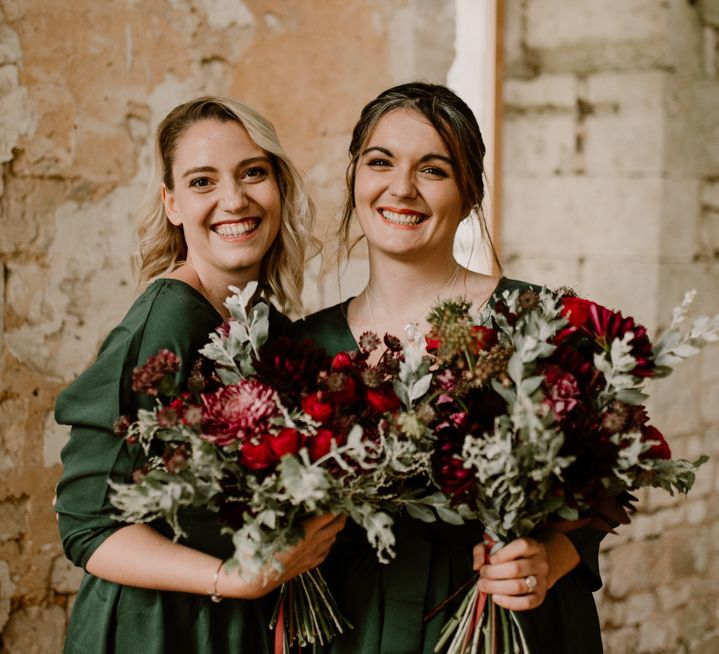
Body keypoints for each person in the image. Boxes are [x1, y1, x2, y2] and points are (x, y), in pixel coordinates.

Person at [294, 82, 604, 653]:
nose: (401, 188)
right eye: (380, 162)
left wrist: (548, 558)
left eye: (433, 170)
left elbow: (599, 489)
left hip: (508, 619)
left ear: (469, 193)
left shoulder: (537, 324)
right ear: (355, 178)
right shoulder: (302, 349)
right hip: (351, 625)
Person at [54, 96, 345, 654]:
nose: (233, 200)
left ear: (279, 187)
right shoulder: (167, 317)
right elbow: (86, 525)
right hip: (161, 627)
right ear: (172, 204)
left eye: (252, 173)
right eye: (202, 181)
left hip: (249, 622)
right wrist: (231, 579)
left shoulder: (271, 328)